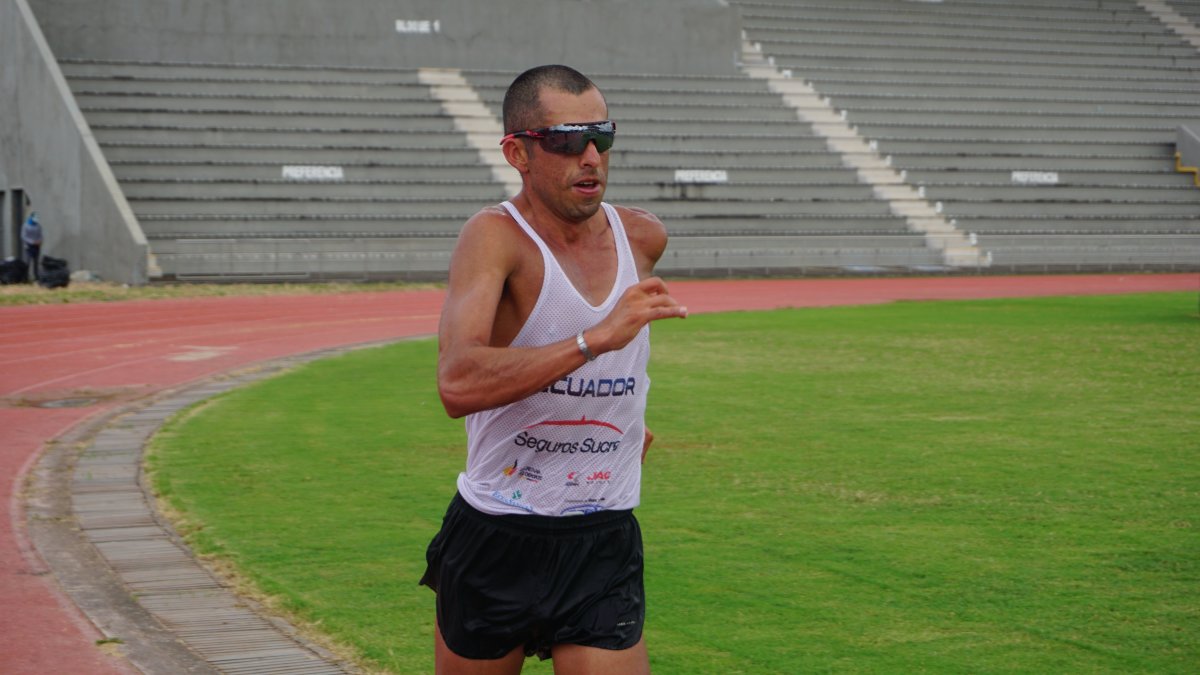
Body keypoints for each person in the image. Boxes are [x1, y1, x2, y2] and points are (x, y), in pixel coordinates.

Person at [422, 64, 688, 674]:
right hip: (498, 534)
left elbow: (618, 370)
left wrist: (612, 419)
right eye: (569, 141)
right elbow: (458, 381)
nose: (590, 156)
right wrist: (593, 341)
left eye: (603, 137)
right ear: (518, 151)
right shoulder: (495, 238)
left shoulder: (642, 236)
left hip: (602, 537)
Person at [21, 212, 42, 282]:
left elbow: (40, 235)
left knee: (36, 262)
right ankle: (26, 277)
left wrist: (39, 241)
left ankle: (36, 277)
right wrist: (32, 242)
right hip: (29, 247)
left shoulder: (38, 226)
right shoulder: (26, 225)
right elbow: (24, 236)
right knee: (28, 262)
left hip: (36, 247)